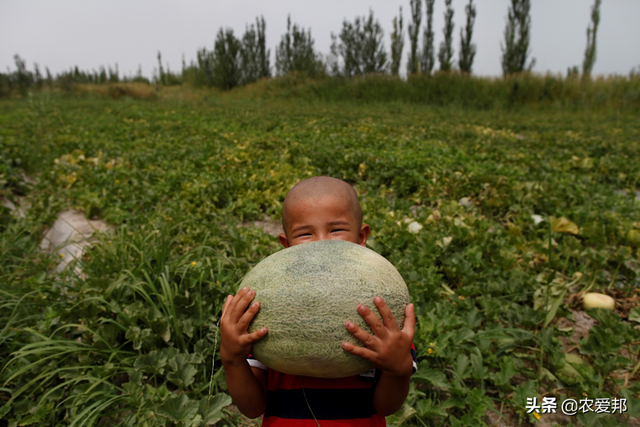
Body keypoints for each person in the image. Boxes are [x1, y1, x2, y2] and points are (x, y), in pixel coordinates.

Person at [220, 176, 416, 426]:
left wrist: (397, 370)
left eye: (336, 230)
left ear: (361, 236)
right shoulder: (266, 312)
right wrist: (232, 358)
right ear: (286, 246)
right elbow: (252, 408)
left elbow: (386, 407)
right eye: (305, 234)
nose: (322, 243)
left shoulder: (382, 316)